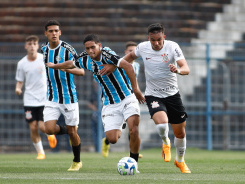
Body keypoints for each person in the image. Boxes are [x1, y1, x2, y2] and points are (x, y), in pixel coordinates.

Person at [46, 34, 145, 171]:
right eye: (87, 48)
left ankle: (134, 164)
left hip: (127, 97)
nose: (90, 51)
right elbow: (71, 63)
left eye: (93, 47)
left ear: (99, 46)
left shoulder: (107, 53)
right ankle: (120, 123)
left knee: (134, 130)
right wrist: (55, 66)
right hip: (110, 102)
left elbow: (127, 66)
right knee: (112, 139)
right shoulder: (85, 59)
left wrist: (136, 90)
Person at [121, 23, 191, 173]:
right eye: (153, 40)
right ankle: (166, 142)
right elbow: (126, 60)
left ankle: (180, 161)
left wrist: (178, 70)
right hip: (153, 95)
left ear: (164, 37)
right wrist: (113, 66)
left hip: (173, 95)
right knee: (162, 124)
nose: (157, 43)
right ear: (149, 38)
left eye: (159, 39)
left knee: (180, 133)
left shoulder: (172, 47)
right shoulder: (142, 47)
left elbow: (186, 68)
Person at [41, 20, 85, 171]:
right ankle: (71, 129)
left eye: (56, 31)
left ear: (60, 32)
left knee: (73, 133)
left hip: (69, 98)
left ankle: (77, 161)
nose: (54, 33)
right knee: (48, 129)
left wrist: (66, 69)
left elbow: (82, 71)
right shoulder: (44, 50)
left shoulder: (67, 49)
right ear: (46, 33)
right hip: (52, 97)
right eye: (51, 31)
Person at [15, 35, 57, 160]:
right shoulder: (22, 63)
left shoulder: (43, 59)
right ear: (26, 46)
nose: (32, 46)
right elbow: (20, 81)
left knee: (42, 127)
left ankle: (50, 135)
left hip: (44, 99)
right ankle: (41, 152)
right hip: (29, 100)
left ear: (37, 46)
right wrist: (18, 88)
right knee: (32, 127)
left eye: (34, 43)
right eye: (29, 44)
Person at [122, 41, 143, 159]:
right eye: (130, 51)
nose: (132, 53)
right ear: (125, 52)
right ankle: (106, 142)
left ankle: (133, 151)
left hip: (131, 97)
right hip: (120, 98)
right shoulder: (120, 63)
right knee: (115, 135)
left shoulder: (137, 65)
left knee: (133, 127)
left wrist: (138, 93)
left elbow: (135, 81)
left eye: (134, 51)